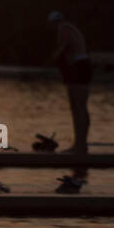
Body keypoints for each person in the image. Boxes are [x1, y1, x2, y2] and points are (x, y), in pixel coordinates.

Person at [47, 11, 90, 154]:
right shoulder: (72, 28)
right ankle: (81, 144)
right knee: (80, 107)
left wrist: (53, 57)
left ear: (53, 23)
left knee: (78, 107)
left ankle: (79, 145)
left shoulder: (63, 27)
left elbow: (64, 45)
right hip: (82, 66)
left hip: (78, 67)